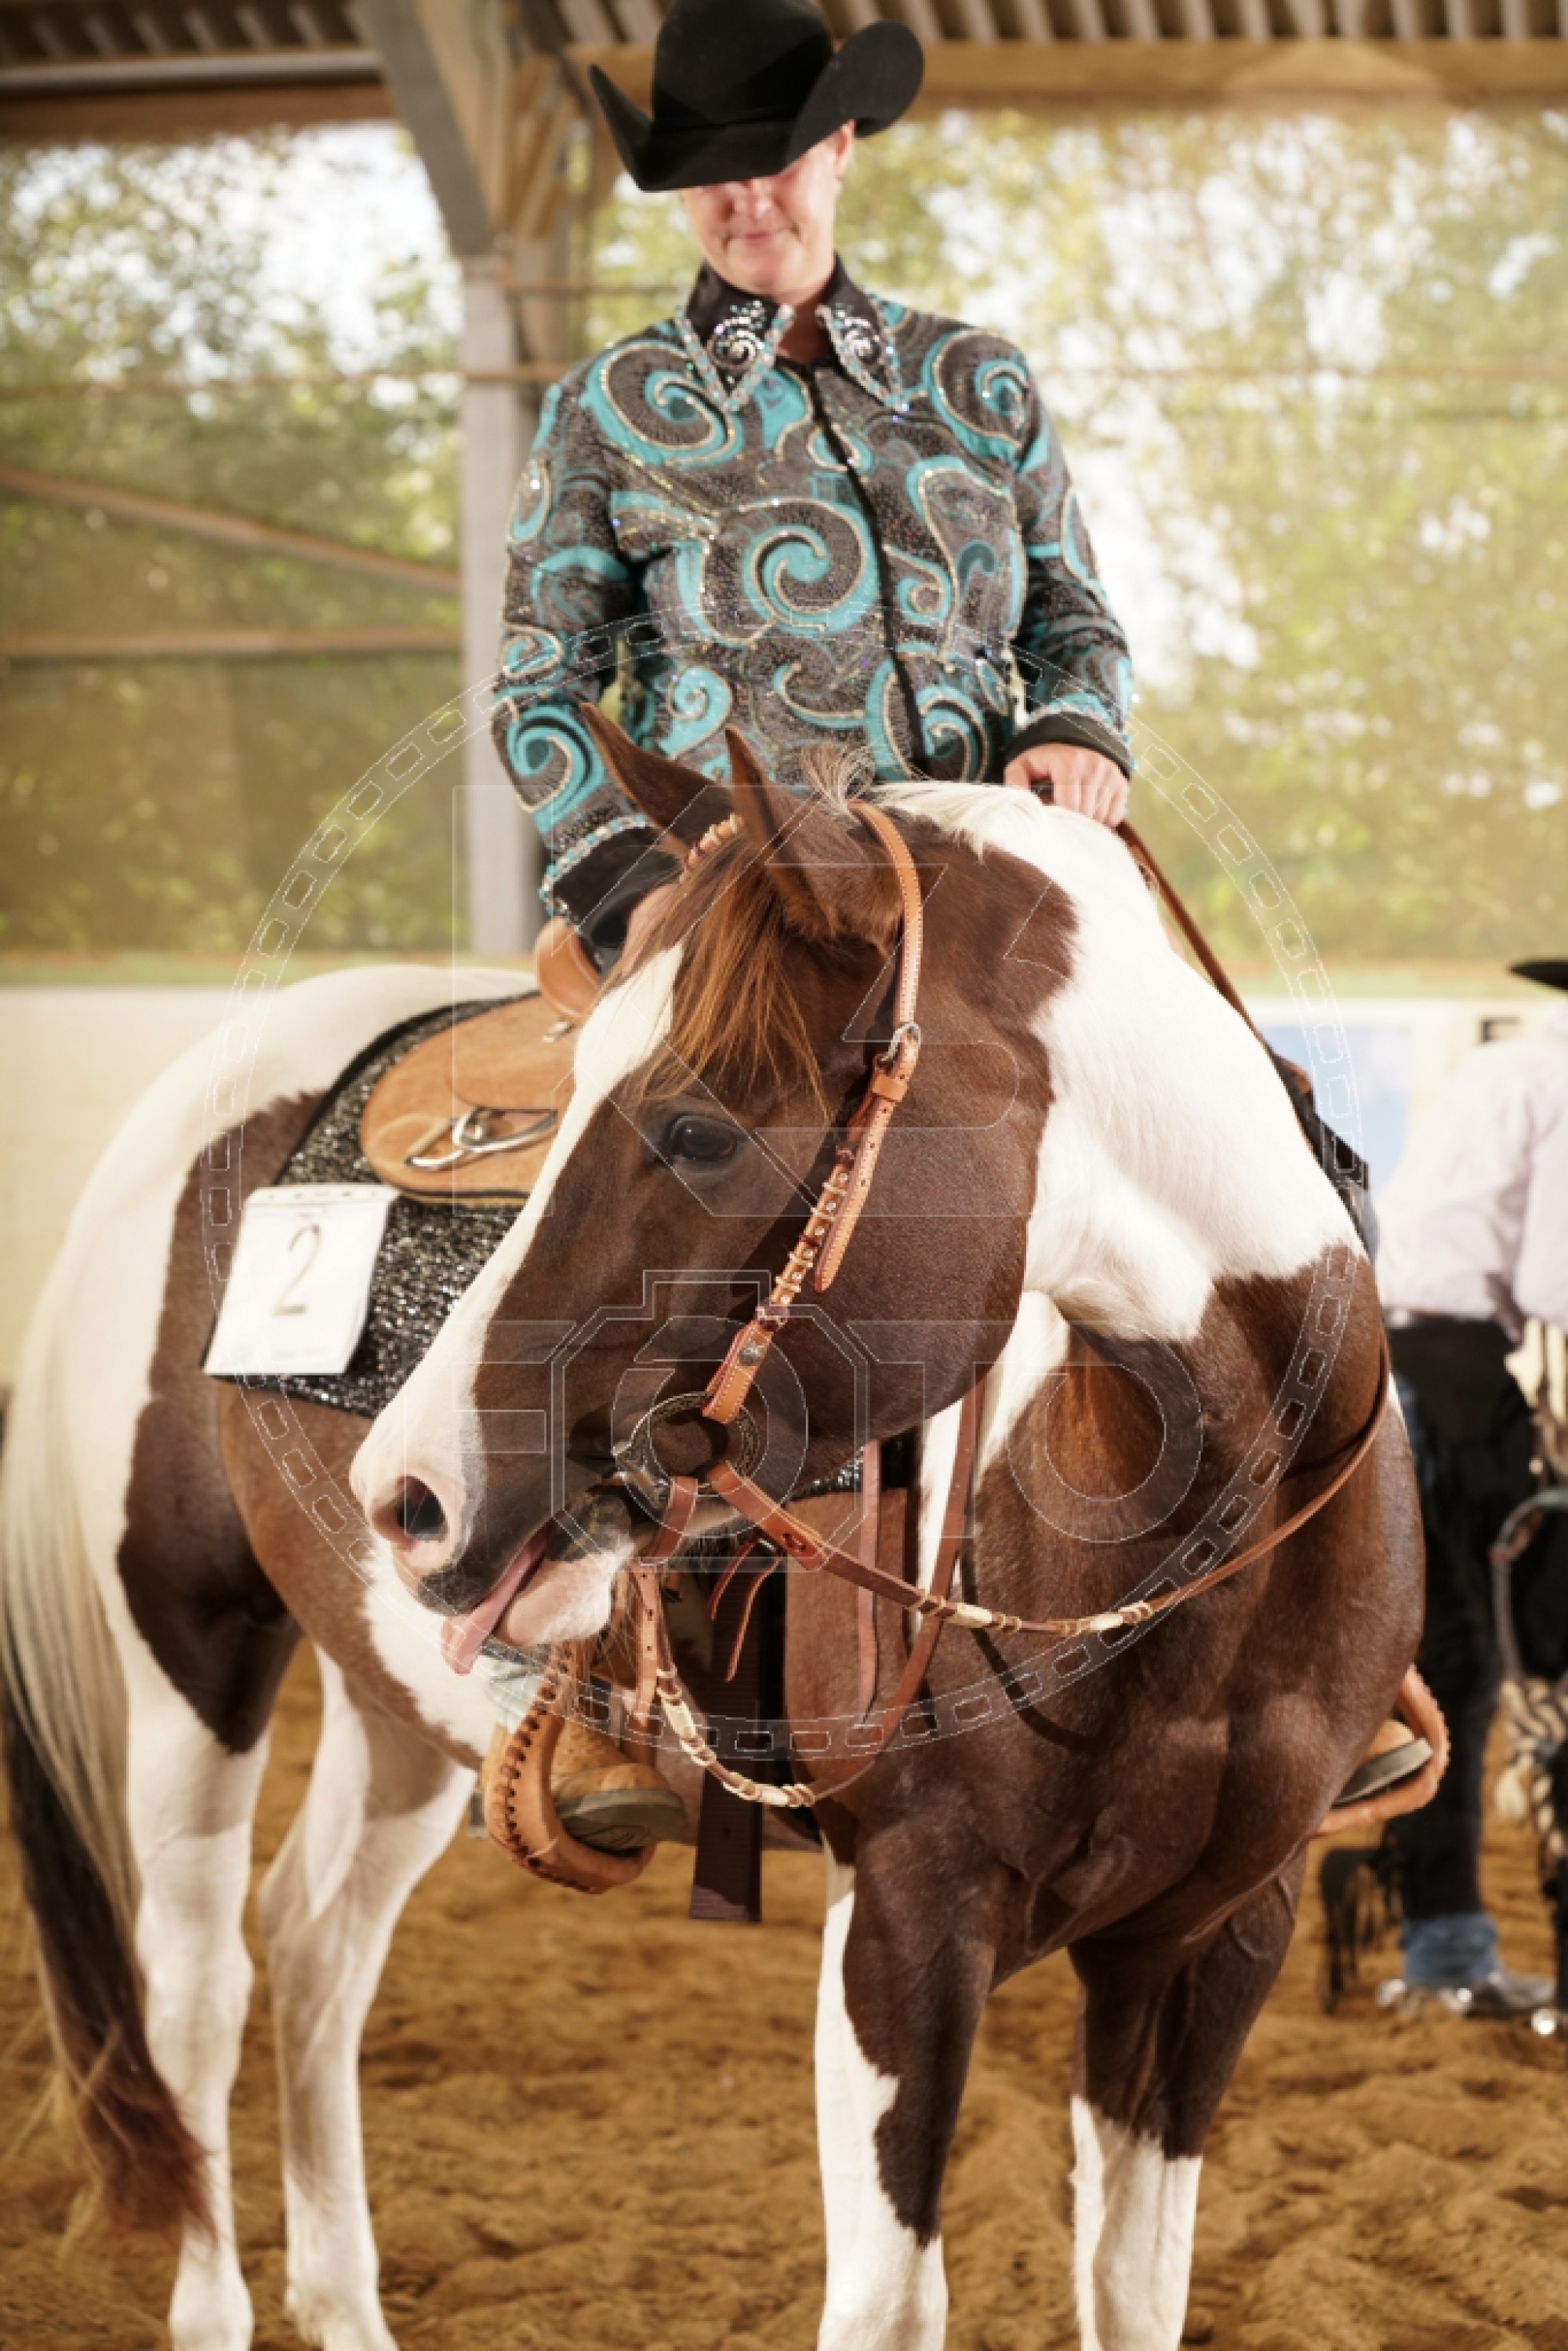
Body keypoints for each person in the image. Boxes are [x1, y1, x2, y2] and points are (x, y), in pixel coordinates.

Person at [492, 0, 1134, 994]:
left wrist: (1071, 727)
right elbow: (537, 685)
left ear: (839, 146)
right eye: (712, 168)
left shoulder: (980, 380)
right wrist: (635, 885)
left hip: (991, 895)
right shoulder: (604, 407)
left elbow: (1072, 616)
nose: (746, 196)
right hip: (738, 920)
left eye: (776, 157)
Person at [1373, 959, 1568, 2015]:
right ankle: (1462, 1950)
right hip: (1456, 1379)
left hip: (1393, 1364)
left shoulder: (1509, 1069)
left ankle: (1442, 1948)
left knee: (1445, 1656)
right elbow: (1552, 1282)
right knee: (1510, 1653)